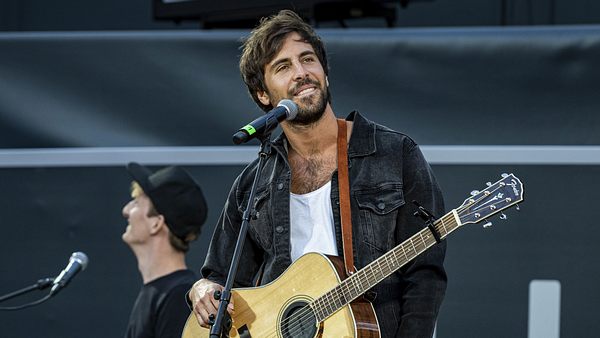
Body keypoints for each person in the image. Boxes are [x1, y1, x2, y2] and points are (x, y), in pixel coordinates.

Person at [189, 9, 446, 338]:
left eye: (307, 59)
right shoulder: (253, 183)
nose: (301, 72)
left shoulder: (395, 153)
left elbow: (425, 274)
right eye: (283, 67)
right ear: (263, 95)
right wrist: (202, 289)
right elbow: (220, 278)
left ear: (325, 73)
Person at [122, 162, 208, 338]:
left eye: (136, 203)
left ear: (157, 223)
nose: (126, 210)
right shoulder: (160, 292)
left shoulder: (178, 297)